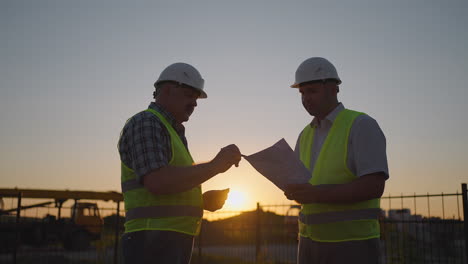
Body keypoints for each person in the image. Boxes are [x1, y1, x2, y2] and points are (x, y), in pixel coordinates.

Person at [118, 62, 241, 264]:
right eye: (189, 95)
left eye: (196, 97)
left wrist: (199, 201)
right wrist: (214, 166)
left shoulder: (170, 130)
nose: (195, 103)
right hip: (151, 241)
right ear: (167, 90)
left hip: (165, 240)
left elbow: (168, 183)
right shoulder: (146, 122)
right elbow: (158, 182)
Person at [284, 57, 389, 264]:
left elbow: (374, 186)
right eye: (302, 93)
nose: (306, 98)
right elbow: (305, 194)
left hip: (353, 245)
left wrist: (316, 194)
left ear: (333, 88)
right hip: (308, 243)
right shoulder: (304, 135)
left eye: (312, 91)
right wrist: (296, 192)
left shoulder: (361, 125)